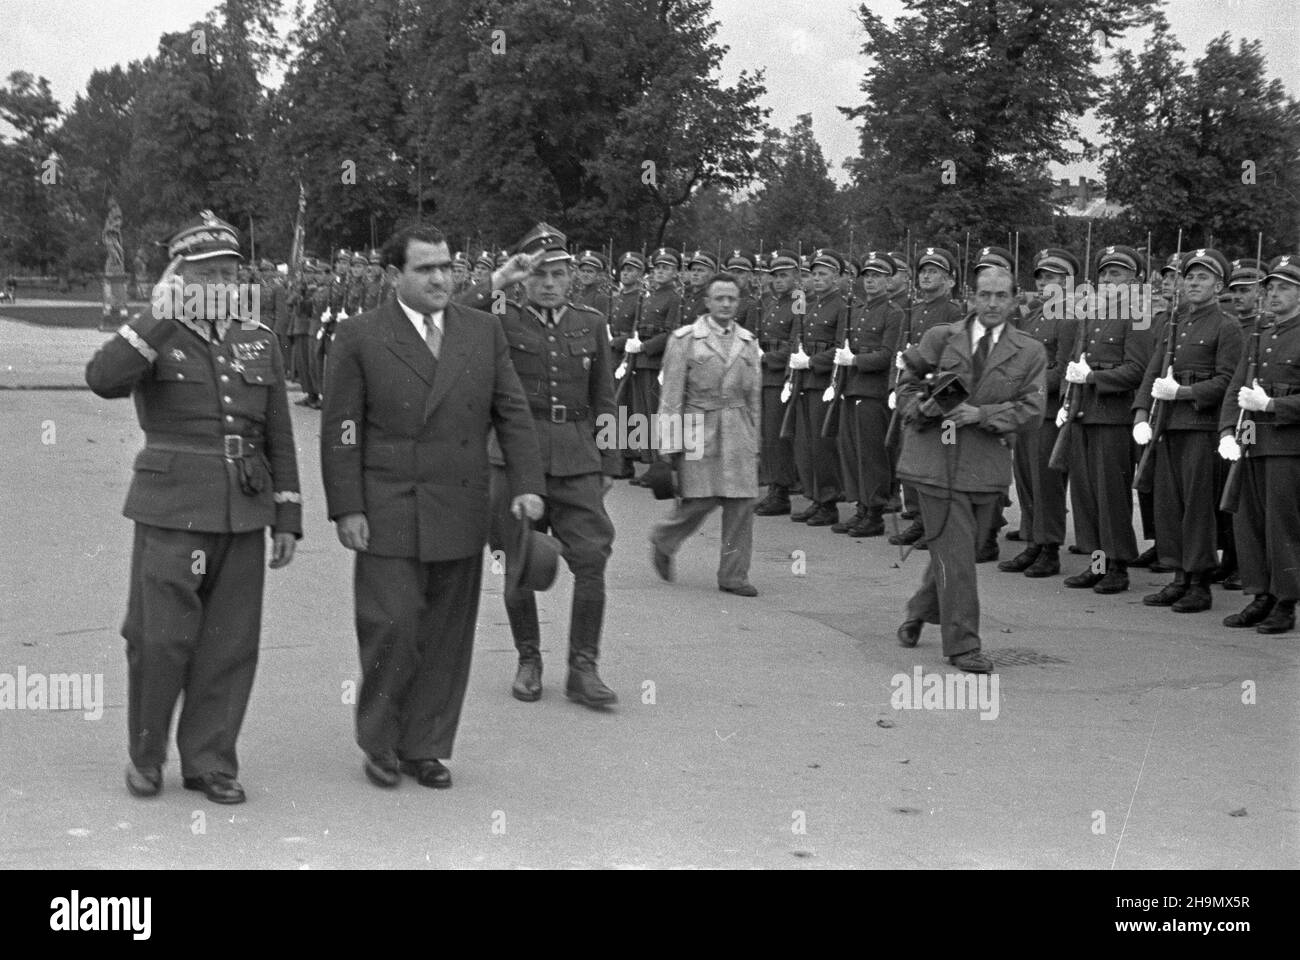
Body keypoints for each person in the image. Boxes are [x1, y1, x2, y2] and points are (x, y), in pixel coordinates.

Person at [85, 210, 302, 804]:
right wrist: (160, 313)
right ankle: (147, 756)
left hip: (244, 507)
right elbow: (102, 378)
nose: (223, 285)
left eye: (230, 273)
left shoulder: (258, 337)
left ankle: (209, 761)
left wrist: (287, 514)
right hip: (172, 506)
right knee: (160, 640)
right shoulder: (157, 330)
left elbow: (279, 433)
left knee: (231, 644)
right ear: (180, 275)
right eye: (207, 274)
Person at [320, 223, 545, 790]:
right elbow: (341, 429)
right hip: (388, 505)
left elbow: (512, 413)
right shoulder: (360, 336)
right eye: (425, 268)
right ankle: (380, 741)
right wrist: (347, 506)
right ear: (394, 276)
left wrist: (527, 483)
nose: (441, 277)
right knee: (391, 625)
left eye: (447, 266)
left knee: (448, 633)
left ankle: (425, 746)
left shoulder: (482, 331)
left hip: (460, 504)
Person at [486, 223, 621, 707]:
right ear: (525, 277)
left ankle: (584, 668)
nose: (549, 283)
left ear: (572, 277)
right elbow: (451, 312)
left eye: (558, 273)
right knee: (517, 560)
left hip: (577, 454)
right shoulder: (501, 316)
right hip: (514, 458)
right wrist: (499, 279)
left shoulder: (590, 321)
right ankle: (529, 659)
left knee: (592, 557)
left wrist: (610, 459)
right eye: (539, 273)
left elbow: (605, 395)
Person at [894, 266, 1046, 673]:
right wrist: (921, 407)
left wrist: (981, 413)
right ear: (971, 298)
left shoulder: (1029, 351)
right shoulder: (941, 338)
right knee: (958, 555)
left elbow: (1033, 411)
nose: (992, 303)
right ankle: (963, 645)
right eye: (984, 295)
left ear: (1015, 300)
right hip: (933, 462)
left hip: (985, 468)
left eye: (1001, 296)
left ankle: (919, 609)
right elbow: (905, 385)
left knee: (960, 549)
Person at [1132, 248, 1241, 613]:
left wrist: (1185, 392)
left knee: (1197, 508)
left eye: (1203, 278)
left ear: (1219, 285)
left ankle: (1199, 583)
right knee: (1168, 502)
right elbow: (1152, 370)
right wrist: (1141, 413)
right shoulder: (1175, 321)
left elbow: (1229, 380)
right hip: (1167, 425)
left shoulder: (1227, 325)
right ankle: (1178, 576)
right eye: (1190, 277)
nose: (1193, 283)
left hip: (1199, 426)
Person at [650, 272, 762, 596]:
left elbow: (754, 396)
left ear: (738, 304)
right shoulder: (685, 339)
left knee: (742, 503)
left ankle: (734, 575)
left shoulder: (748, 342)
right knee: (701, 498)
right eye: (719, 298)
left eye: (732, 299)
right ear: (707, 302)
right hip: (697, 424)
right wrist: (667, 446)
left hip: (738, 425)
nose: (726, 304)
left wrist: (755, 440)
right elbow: (671, 396)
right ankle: (664, 539)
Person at [1059, 244, 1155, 594]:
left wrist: (1094, 379)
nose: (1109, 278)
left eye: (1118, 272)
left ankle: (1118, 566)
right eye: (1104, 272)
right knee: (1086, 496)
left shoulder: (1139, 315)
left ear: (1136, 278)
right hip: (1084, 413)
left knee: (1110, 495)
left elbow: (1138, 370)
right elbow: (1076, 360)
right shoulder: (1094, 315)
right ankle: (1098, 563)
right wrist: (1070, 397)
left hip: (1114, 417)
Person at [1218, 254, 1300, 634]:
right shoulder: (1261, 336)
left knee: (1281, 526)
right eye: (1271, 287)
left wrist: (1272, 404)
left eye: (1285, 287)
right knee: (1249, 523)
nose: (1275, 293)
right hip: (1251, 440)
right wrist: (1225, 432)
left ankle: (1285, 601)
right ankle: (1260, 594)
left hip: (1287, 443)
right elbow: (1235, 387)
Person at [997, 247, 1080, 579]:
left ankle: (1049, 549)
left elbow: (1062, 371)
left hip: (1048, 411)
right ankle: (1032, 540)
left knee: (1047, 483)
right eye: (1043, 277)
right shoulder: (1033, 316)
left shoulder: (1070, 318)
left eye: (1055, 277)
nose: (1047, 283)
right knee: (1027, 480)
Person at [888, 246, 966, 547]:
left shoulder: (954, 312)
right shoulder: (913, 310)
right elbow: (903, 355)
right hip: (912, 393)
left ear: (949, 279)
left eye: (935, 271)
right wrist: (894, 389)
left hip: (939, 395)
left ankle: (936, 522)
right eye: (923, 271)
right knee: (914, 459)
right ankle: (918, 517)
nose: (927, 276)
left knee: (939, 464)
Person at [831, 251, 902, 537]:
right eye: (868, 276)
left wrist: (856, 360)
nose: (871, 281)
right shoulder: (856, 310)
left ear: (888, 280)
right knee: (852, 451)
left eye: (878, 276)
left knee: (872, 455)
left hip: (873, 392)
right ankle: (861, 506)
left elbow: (887, 355)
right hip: (851, 388)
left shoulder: (893, 313)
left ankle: (874, 512)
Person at [788, 248, 847, 526]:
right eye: (814, 273)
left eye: (824, 273)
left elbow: (840, 347)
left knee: (823, 445)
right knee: (807, 442)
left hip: (825, 382)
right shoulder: (811, 305)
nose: (818, 278)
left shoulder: (842, 306)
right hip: (806, 380)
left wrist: (811, 362)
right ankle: (816, 496)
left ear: (836, 277)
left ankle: (828, 501)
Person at [753, 249, 801, 516]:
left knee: (777, 436)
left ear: (795, 276)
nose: (778, 280)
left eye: (784, 275)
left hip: (780, 373)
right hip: (764, 373)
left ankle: (781, 490)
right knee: (768, 436)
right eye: (775, 276)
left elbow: (796, 342)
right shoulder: (771, 302)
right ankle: (773, 486)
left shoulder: (798, 301)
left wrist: (769, 357)